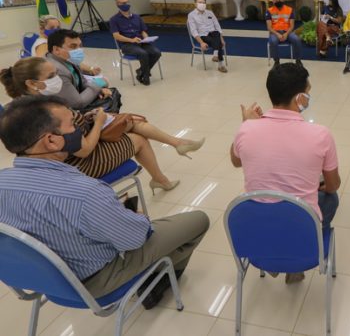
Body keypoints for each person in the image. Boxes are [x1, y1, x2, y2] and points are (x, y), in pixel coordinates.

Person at [0, 95, 210, 309]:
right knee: (197, 220)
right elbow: (135, 239)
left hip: (42, 281)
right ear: (51, 140)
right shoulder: (85, 192)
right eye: (72, 125)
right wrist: (136, 219)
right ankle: (157, 281)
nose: (78, 131)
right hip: (94, 282)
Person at [0, 57, 205, 192]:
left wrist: (88, 117)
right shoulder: (45, 111)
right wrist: (97, 122)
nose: (57, 79)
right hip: (80, 166)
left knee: (129, 121)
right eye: (51, 76)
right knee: (138, 139)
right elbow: (85, 150)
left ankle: (176, 147)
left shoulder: (20, 108)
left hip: (62, 161)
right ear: (31, 83)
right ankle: (163, 173)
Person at [231, 63, 341, 283]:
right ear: (300, 98)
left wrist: (246, 124)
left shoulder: (247, 128)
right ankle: (302, 253)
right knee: (331, 198)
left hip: (257, 230)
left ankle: (271, 254)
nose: (309, 98)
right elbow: (333, 184)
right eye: (308, 93)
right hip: (300, 223)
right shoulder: (320, 135)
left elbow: (236, 161)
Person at [44, 29, 113, 111]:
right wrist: (99, 83)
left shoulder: (68, 60)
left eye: (79, 46)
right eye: (73, 46)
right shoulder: (56, 70)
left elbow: (82, 83)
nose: (78, 50)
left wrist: (99, 89)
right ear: (56, 50)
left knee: (110, 95)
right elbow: (77, 104)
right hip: (60, 112)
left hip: (74, 98)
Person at [33, 15, 110, 88]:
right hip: (60, 79)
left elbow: (68, 60)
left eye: (58, 27)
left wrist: (90, 70)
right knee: (103, 81)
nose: (56, 30)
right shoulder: (43, 45)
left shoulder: (50, 41)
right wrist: (89, 70)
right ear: (42, 29)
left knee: (100, 81)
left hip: (65, 74)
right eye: (52, 27)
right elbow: (46, 67)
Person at [109, 0, 162, 86]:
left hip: (141, 42)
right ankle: (145, 76)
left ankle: (141, 71)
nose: (127, 4)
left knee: (156, 52)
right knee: (143, 53)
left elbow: (143, 31)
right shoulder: (114, 19)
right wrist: (131, 40)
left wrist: (146, 38)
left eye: (127, 2)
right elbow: (116, 36)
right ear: (118, 4)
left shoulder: (137, 17)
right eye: (124, 3)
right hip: (127, 45)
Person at [187, 0, 228, 73]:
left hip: (214, 34)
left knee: (216, 33)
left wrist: (222, 39)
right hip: (203, 36)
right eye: (200, 2)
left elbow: (217, 26)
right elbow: (194, 31)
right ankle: (220, 65)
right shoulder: (191, 15)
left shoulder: (210, 13)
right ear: (195, 4)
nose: (202, 4)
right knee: (217, 42)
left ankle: (215, 54)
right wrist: (201, 43)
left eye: (204, 2)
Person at [266, 0, 302, 67]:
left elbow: (292, 26)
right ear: (273, 1)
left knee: (297, 39)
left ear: (283, 0)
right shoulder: (269, 11)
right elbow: (269, 27)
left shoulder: (289, 10)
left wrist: (286, 34)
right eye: (276, 0)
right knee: (273, 41)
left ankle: (298, 60)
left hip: (287, 31)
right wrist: (278, 34)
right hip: (275, 32)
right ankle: (276, 61)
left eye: (279, 0)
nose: (278, 2)